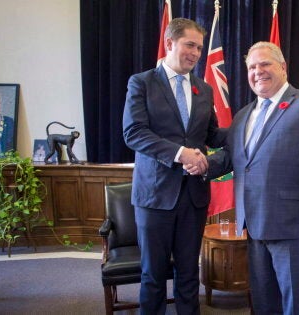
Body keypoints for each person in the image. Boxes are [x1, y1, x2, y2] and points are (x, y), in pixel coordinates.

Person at [187, 41, 299, 314]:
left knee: (296, 305)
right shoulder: (244, 115)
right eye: (251, 67)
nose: (258, 71)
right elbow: (232, 158)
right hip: (255, 225)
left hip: (297, 227)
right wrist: (202, 164)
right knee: (263, 302)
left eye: (265, 64)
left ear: (282, 67)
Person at [122, 18, 226, 314]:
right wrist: (181, 153)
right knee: (153, 276)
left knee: (189, 274)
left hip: (193, 197)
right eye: (190, 45)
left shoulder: (204, 89)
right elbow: (134, 133)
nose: (196, 53)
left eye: (199, 48)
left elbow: (213, 135)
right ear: (170, 43)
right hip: (155, 197)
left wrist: (251, 122)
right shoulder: (141, 83)